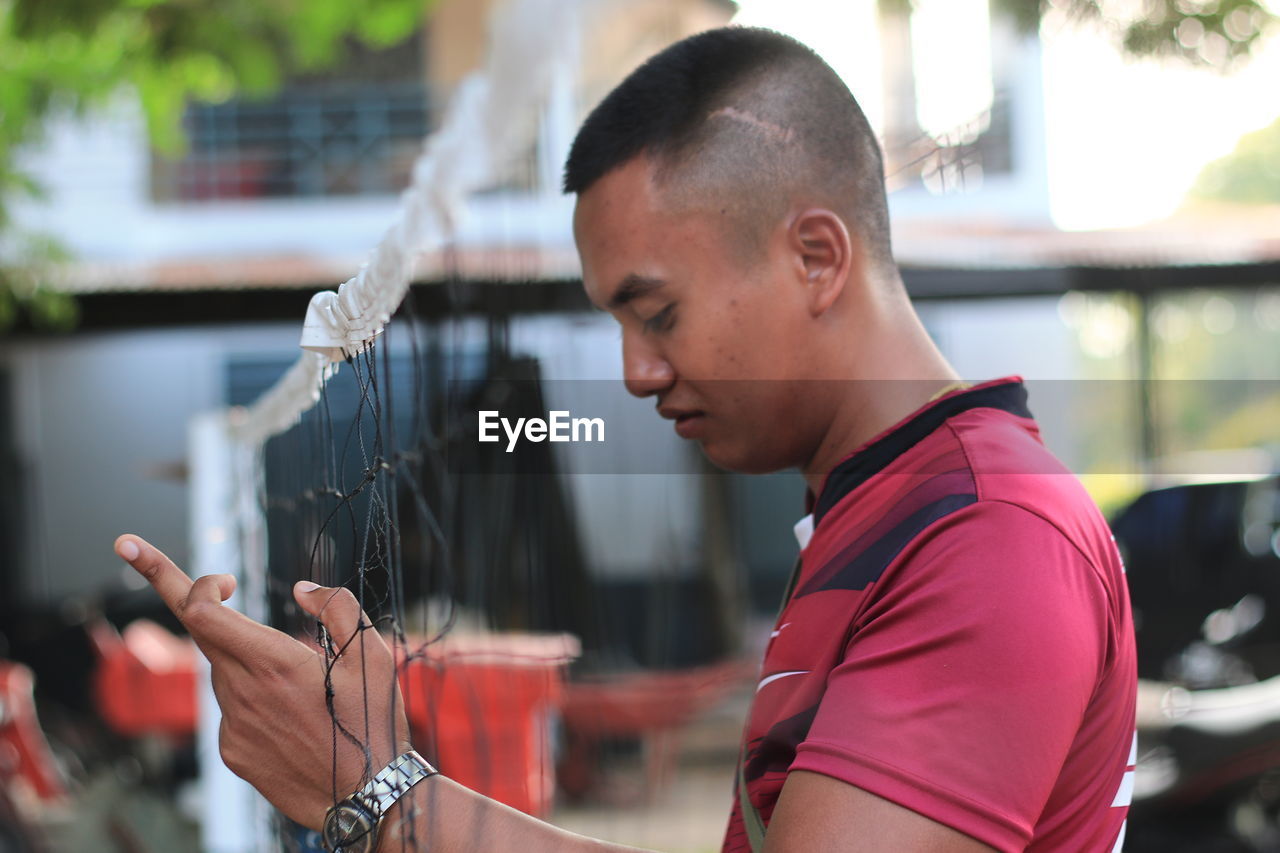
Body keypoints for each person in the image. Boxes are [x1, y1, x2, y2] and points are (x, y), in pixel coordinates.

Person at [114, 26, 1136, 853]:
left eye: (655, 313)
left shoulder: (987, 533)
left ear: (816, 255)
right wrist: (385, 782)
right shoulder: (885, 511)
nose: (633, 371)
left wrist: (384, 797)